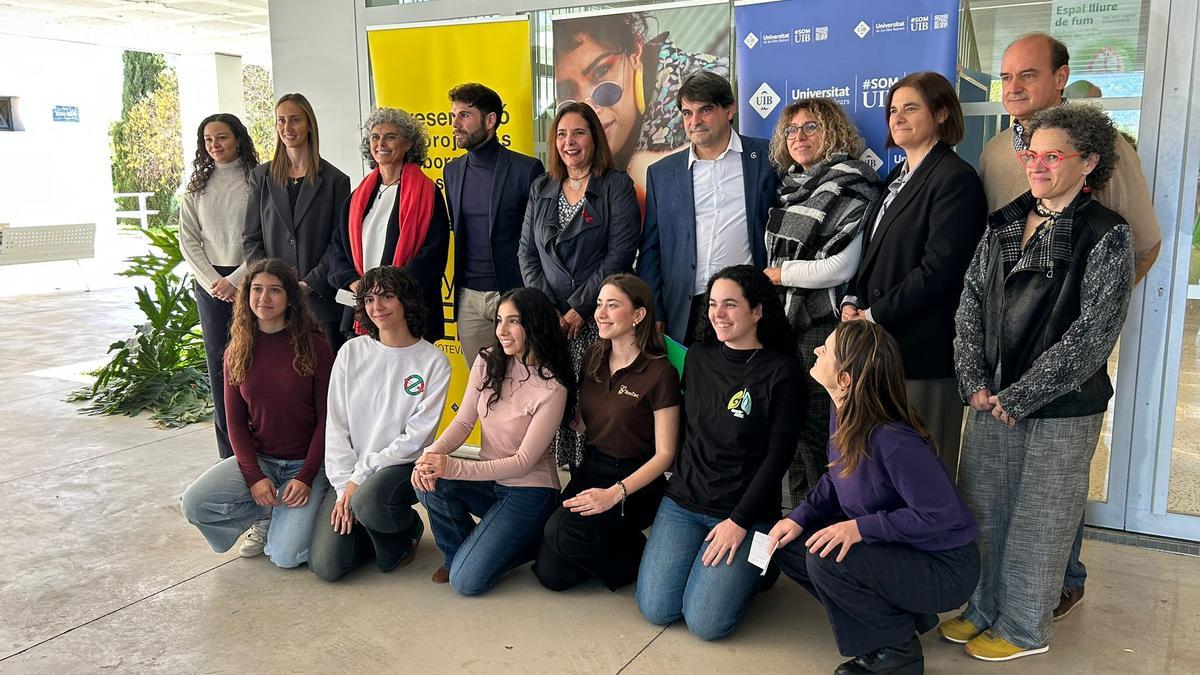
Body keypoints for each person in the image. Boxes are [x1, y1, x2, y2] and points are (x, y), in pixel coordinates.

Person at [979, 32, 1161, 618]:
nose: (1013, 88)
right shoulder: (994, 154)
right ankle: (1004, 588)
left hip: (1067, 351)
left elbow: (1142, 242)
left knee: (1055, 479)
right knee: (1008, 480)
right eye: (1005, 77)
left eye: (1027, 75)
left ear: (1060, 78)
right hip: (1005, 352)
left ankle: (1062, 577)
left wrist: (1083, 317)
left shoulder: (1101, 149)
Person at [943, 104, 1134, 662]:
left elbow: (1092, 335)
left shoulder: (1106, 234)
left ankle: (1025, 627)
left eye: (1054, 156)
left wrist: (1020, 396)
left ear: (1089, 162)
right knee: (982, 506)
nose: (1038, 166)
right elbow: (971, 301)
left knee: (1041, 517)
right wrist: (974, 379)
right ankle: (981, 608)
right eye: (1032, 154)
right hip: (991, 395)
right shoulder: (1004, 220)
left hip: (1062, 406)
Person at [769, 320, 978, 675]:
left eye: (828, 350)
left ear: (846, 380)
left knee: (827, 559)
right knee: (790, 546)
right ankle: (893, 618)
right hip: (902, 550)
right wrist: (797, 517)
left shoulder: (894, 440)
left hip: (943, 566)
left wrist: (860, 529)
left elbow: (943, 515)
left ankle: (897, 653)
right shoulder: (844, 412)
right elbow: (837, 478)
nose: (818, 350)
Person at [636, 265, 805, 641]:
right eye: (713, 304)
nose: (718, 314)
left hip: (743, 512)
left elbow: (778, 458)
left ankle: (762, 565)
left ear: (757, 311)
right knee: (657, 608)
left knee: (706, 624)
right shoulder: (698, 357)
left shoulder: (783, 372)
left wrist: (739, 521)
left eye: (730, 304)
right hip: (685, 503)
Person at [841, 72, 987, 481]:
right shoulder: (896, 177)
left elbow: (939, 271)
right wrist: (852, 300)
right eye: (892, 109)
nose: (898, 117)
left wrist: (872, 314)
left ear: (941, 113)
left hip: (922, 353)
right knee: (884, 471)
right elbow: (870, 254)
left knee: (923, 474)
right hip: (881, 352)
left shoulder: (955, 179)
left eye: (911, 108)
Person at [413, 287, 574, 596]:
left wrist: (452, 466)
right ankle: (460, 553)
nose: (501, 330)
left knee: (466, 583)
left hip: (529, 491)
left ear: (535, 324)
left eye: (512, 321)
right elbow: (463, 422)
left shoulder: (553, 389)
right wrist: (430, 456)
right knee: (427, 482)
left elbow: (522, 462)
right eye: (499, 320)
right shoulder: (488, 360)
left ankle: (520, 543)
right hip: (490, 479)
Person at [761, 98, 882, 503]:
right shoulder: (786, 188)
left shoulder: (852, 183)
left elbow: (842, 267)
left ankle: (827, 528)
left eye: (811, 127)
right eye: (791, 130)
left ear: (833, 132)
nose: (799, 137)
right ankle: (798, 525)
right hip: (785, 328)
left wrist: (779, 275)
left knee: (823, 435)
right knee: (791, 436)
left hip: (824, 329)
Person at [180, 259, 333, 567]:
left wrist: (305, 477)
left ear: (290, 297)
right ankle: (267, 511)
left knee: (284, 556)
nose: (264, 298)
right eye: (257, 290)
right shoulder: (237, 350)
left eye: (274, 290)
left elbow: (328, 421)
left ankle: (311, 505)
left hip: (306, 465)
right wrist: (254, 477)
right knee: (194, 504)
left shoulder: (315, 347)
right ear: (246, 296)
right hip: (263, 459)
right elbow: (234, 423)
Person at [533, 273, 680, 592]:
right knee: (551, 573)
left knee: (560, 533)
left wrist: (615, 493)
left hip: (634, 482)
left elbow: (665, 454)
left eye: (612, 305)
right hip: (591, 468)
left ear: (638, 315)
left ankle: (644, 559)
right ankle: (623, 547)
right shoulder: (593, 357)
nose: (600, 313)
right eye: (599, 304)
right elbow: (591, 423)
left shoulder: (660, 372)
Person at [310, 266, 452, 582]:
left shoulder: (433, 362)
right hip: (349, 474)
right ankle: (363, 522)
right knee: (327, 567)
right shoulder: (351, 352)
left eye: (387, 297)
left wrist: (359, 480)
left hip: (397, 469)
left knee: (372, 512)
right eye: (370, 299)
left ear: (406, 302)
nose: (378, 307)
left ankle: (405, 526)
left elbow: (415, 439)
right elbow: (336, 425)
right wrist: (343, 484)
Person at [519, 101, 640, 468]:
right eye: (561, 134)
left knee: (593, 403)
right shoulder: (542, 187)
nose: (569, 141)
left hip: (596, 321)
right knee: (553, 402)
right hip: (552, 323)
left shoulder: (616, 186)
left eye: (579, 133)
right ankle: (557, 481)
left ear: (595, 138)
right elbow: (526, 253)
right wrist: (550, 310)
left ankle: (594, 480)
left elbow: (619, 254)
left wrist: (578, 309)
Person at [637, 71, 778, 345]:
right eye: (687, 113)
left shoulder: (765, 157)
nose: (695, 121)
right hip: (687, 308)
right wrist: (655, 307)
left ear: (729, 109)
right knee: (691, 384)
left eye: (705, 110)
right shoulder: (662, 173)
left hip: (748, 305)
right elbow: (651, 248)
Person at [553, 11, 729, 205]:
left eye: (601, 71)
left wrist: (659, 169)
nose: (590, 108)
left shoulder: (705, 78)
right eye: (567, 90)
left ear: (635, 52)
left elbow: (733, 152)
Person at [326, 107, 449, 344]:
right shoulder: (356, 198)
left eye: (390, 137)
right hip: (361, 310)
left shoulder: (428, 194)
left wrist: (388, 292)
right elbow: (337, 249)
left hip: (408, 314)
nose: (380, 143)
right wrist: (355, 283)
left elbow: (433, 255)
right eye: (375, 137)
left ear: (408, 144)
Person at [444, 83, 545, 367]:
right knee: (483, 386)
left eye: (464, 115)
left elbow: (537, 240)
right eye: (453, 115)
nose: (455, 124)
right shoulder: (451, 172)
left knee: (525, 379)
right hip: (469, 300)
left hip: (514, 294)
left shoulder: (527, 170)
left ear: (490, 120)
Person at [179, 113, 259, 460]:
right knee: (219, 368)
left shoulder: (257, 180)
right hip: (210, 284)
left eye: (222, 137)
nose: (215, 145)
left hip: (252, 281)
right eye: (209, 140)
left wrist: (236, 280)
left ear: (238, 139)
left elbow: (261, 236)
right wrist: (215, 282)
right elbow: (188, 241)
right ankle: (230, 456)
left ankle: (261, 447)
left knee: (256, 363)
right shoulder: (196, 187)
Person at [244, 92, 351, 351]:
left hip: (320, 304)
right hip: (272, 308)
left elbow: (339, 245)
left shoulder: (336, 180)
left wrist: (308, 284)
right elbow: (251, 239)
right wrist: (274, 285)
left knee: (326, 384)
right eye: (281, 120)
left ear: (309, 125)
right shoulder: (261, 177)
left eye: (295, 120)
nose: (287, 127)